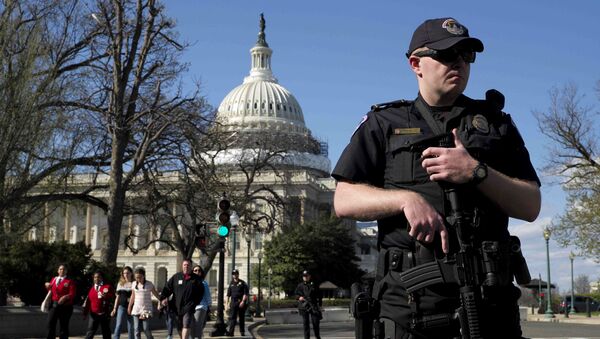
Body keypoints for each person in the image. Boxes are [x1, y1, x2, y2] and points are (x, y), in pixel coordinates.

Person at [332, 17, 541, 339]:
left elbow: (530, 205)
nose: (458, 62)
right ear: (416, 63)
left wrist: (475, 171)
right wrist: (404, 199)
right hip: (409, 308)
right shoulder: (383, 123)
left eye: (466, 55)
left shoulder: (496, 125)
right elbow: (344, 199)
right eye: (446, 55)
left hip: (491, 305)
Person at [160, 258, 205, 339]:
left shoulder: (196, 279)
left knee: (186, 323)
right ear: (182, 266)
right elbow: (167, 288)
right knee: (179, 326)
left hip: (189, 306)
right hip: (176, 307)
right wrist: (163, 298)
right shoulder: (176, 277)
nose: (186, 267)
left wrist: (195, 303)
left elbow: (201, 292)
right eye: (184, 265)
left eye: (188, 265)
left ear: (191, 266)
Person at [45, 263, 76, 339]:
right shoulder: (54, 279)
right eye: (60, 269)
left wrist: (66, 297)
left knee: (63, 326)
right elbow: (51, 291)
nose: (62, 270)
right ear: (58, 271)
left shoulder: (70, 281)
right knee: (50, 324)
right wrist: (47, 286)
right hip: (54, 305)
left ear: (66, 271)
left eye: (64, 269)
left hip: (65, 306)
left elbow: (73, 293)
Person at [128, 267, 160, 339]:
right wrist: (129, 307)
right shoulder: (133, 284)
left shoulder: (149, 284)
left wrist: (161, 300)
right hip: (136, 309)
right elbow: (132, 296)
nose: (138, 279)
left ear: (144, 276)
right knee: (136, 330)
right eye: (136, 277)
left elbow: (156, 294)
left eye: (140, 277)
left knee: (146, 329)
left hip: (146, 310)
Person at [83, 271, 115, 339]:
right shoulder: (91, 289)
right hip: (93, 314)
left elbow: (113, 297)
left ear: (102, 278)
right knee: (90, 332)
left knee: (106, 332)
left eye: (98, 277)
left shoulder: (107, 287)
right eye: (95, 277)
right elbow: (88, 302)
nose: (96, 279)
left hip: (104, 314)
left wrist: (105, 296)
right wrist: (85, 313)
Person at [295, 270, 322, 339]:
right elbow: (296, 295)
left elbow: (319, 295)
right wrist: (299, 297)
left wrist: (320, 306)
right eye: (304, 276)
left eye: (306, 276)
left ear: (309, 276)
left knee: (316, 323)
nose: (305, 277)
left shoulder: (314, 285)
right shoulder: (300, 286)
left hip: (313, 305)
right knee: (306, 324)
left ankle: (317, 337)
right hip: (304, 306)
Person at [111, 266, 135, 339]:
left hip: (132, 307)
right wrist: (114, 308)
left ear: (131, 273)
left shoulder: (134, 283)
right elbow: (117, 297)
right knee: (119, 324)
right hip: (121, 307)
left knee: (131, 326)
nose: (126, 275)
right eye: (124, 273)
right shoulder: (120, 284)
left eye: (127, 273)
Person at [225, 268, 249, 337]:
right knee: (233, 318)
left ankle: (242, 332)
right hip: (233, 302)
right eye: (233, 274)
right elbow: (228, 295)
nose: (235, 275)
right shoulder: (231, 283)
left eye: (236, 274)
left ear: (238, 274)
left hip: (240, 302)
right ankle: (231, 332)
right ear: (232, 275)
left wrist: (243, 301)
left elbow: (245, 294)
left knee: (241, 318)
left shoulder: (242, 283)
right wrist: (226, 304)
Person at [192, 265, 211, 339]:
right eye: (195, 270)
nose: (197, 272)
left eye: (199, 270)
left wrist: (209, 306)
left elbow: (207, 295)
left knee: (197, 325)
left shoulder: (204, 283)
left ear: (201, 273)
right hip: (191, 307)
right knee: (192, 326)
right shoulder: (190, 282)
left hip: (201, 306)